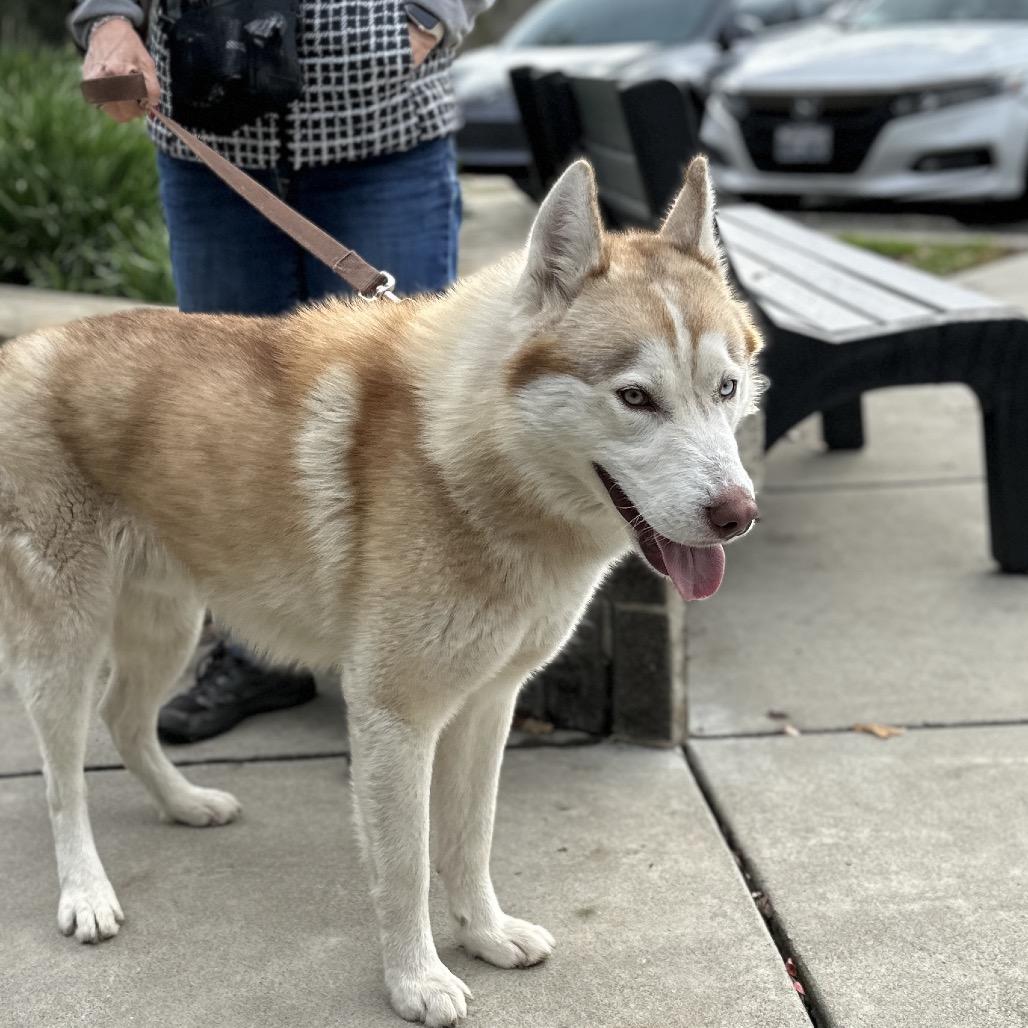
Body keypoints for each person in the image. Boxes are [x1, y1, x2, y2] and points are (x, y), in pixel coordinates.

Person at [70, 0, 491, 743]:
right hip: (208, 132)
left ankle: (417, 680)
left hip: (383, 132)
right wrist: (107, 18)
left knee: (407, 426)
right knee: (231, 428)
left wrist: (430, 17)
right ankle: (257, 655)